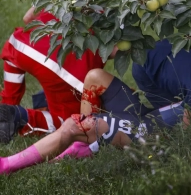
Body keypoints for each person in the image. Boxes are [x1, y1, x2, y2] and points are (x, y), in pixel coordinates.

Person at [0, 40, 191, 174]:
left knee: (74, 125)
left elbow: (187, 139)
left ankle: (7, 165)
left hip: (146, 132)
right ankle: (87, 145)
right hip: (143, 116)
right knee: (93, 76)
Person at [0, 7, 117, 143]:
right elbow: (113, 50)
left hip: (21, 45)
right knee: (69, 122)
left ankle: (6, 107)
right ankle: (22, 117)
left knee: (13, 56)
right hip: (65, 69)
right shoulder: (118, 0)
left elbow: (27, 17)